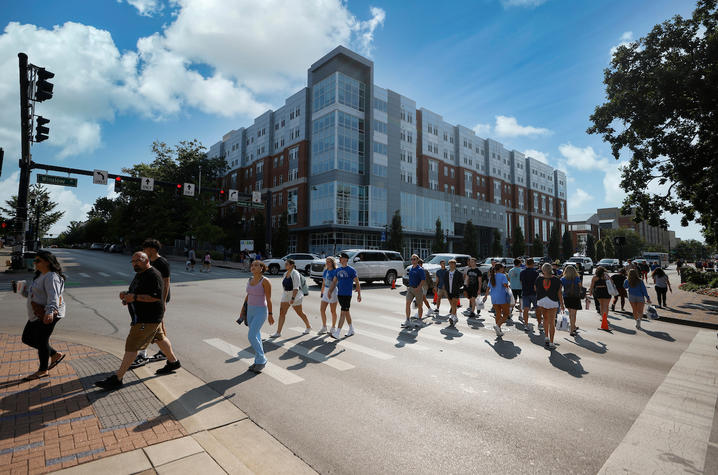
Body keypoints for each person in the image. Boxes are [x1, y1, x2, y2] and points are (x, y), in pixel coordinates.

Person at [96, 252, 180, 390]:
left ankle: (117, 378)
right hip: (149, 318)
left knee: (132, 346)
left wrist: (134, 298)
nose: (135, 263)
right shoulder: (140, 274)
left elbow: (155, 297)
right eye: (133, 261)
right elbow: (135, 291)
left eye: (138, 260)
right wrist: (127, 296)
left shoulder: (153, 275)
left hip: (147, 318)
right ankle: (173, 362)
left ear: (146, 260)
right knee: (160, 338)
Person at [19, 251, 66, 381]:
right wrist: (22, 291)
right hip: (37, 314)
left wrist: (50, 312)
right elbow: (35, 294)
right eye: (35, 260)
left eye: (38, 260)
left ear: (47, 262)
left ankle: (43, 370)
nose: (35, 263)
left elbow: (54, 296)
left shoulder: (51, 276)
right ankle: (54, 354)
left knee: (41, 340)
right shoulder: (41, 275)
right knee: (27, 338)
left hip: (47, 313)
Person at [132, 239, 172, 368]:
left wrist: (163, 301)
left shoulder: (162, 262)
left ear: (153, 250)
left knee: (149, 324)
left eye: (145, 249)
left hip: (157, 298)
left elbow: (166, 283)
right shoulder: (149, 261)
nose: (143, 251)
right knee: (158, 325)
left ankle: (143, 354)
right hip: (149, 297)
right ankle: (164, 352)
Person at [238, 260, 274, 373]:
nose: (253, 267)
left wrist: (270, 314)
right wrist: (242, 311)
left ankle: (262, 359)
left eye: (256, 265)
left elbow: (269, 299)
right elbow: (248, 296)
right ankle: (258, 361)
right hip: (250, 311)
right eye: (252, 265)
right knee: (257, 336)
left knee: (251, 336)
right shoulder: (250, 279)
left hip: (261, 311)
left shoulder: (265, 281)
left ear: (262, 268)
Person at [270, 259, 311, 338]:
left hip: (295, 295)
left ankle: (308, 326)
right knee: (282, 312)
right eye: (285, 264)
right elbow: (284, 285)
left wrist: (292, 298)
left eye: (287, 264)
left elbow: (296, 287)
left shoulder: (295, 273)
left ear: (292, 265)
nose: (285, 265)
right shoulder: (285, 273)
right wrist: (285, 295)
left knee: (299, 313)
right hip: (286, 294)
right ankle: (278, 332)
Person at [328, 252, 361, 338]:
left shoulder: (351, 270)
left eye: (341, 258)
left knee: (343, 312)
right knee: (346, 312)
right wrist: (330, 291)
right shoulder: (338, 270)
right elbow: (334, 281)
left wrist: (359, 294)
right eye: (339, 258)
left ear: (346, 259)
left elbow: (357, 281)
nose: (340, 259)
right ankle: (351, 329)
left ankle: (337, 333)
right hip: (340, 294)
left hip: (347, 294)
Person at [535, 262, 565, 349]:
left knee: (545, 319)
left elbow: (535, 289)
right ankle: (551, 342)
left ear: (543, 270)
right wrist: (562, 304)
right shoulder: (556, 280)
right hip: (553, 301)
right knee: (552, 322)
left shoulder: (539, 279)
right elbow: (559, 293)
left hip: (542, 300)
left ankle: (546, 337)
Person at [482, 263, 511, 337]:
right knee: (506, 314)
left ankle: (498, 330)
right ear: (500, 269)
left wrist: (485, 296)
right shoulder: (503, 276)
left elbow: (488, 288)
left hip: (494, 298)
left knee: (498, 313)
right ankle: (498, 326)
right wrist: (508, 285)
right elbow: (505, 285)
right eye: (503, 268)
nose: (504, 269)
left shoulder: (492, 276)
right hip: (502, 297)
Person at [403, 254, 425, 328]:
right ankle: (407, 320)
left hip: (418, 289)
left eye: (414, 259)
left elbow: (423, 280)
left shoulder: (420, 269)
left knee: (419, 305)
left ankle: (419, 320)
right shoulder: (411, 268)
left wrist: (418, 287)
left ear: (418, 260)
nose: (413, 260)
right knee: (407, 303)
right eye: (412, 259)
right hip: (410, 289)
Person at [560, 265, 583, 336]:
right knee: (573, 314)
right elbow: (580, 287)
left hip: (566, 297)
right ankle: (572, 330)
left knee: (570, 313)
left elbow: (560, 289)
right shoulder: (577, 278)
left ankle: (573, 326)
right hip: (575, 297)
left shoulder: (563, 279)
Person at [319, 257, 339, 335]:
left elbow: (334, 283)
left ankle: (333, 328)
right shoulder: (326, 271)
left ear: (332, 263)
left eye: (329, 262)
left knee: (332, 311)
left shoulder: (335, 271)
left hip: (333, 291)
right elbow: (323, 283)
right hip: (326, 291)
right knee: (322, 309)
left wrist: (330, 292)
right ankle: (324, 327)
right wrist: (322, 292)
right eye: (326, 262)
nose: (327, 263)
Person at [520, 258, 540, 332]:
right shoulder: (536, 273)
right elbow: (537, 284)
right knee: (537, 309)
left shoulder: (522, 272)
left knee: (526, 309)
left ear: (526, 264)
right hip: (534, 293)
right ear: (533, 264)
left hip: (525, 292)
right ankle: (539, 324)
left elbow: (521, 282)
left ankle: (526, 325)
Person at [442, 259, 464, 326]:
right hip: (449, 291)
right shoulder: (446, 273)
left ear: (455, 265)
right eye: (450, 264)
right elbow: (445, 283)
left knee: (454, 305)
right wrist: (445, 291)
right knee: (452, 306)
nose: (451, 265)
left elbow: (461, 283)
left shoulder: (459, 273)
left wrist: (457, 287)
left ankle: (452, 317)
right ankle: (455, 317)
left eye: (453, 264)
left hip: (455, 291)